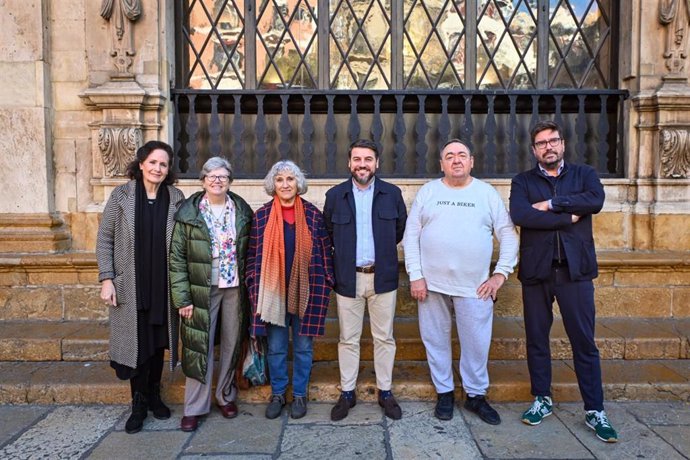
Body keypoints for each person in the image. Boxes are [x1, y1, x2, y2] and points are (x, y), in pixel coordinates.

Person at [509, 120, 618, 442]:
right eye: (541, 143)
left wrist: (553, 204)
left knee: (584, 342)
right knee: (537, 340)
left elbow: (594, 202)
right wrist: (568, 215)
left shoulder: (584, 175)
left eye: (553, 141)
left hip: (575, 272)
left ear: (562, 144)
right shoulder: (522, 181)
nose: (548, 147)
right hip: (537, 272)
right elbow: (522, 216)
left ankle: (595, 409)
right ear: (534, 150)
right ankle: (541, 398)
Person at [403, 139, 518, 424]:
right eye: (450, 156)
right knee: (435, 340)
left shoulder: (486, 193)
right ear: (441, 163)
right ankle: (444, 393)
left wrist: (500, 274)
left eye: (462, 155)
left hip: (475, 287)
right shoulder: (429, 192)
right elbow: (411, 236)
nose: (456, 160)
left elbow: (507, 234)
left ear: (472, 161)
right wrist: (416, 276)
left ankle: (475, 396)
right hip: (431, 286)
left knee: (477, 343)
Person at [96, 140, 185, 434]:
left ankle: (155, 397)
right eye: (153, 162)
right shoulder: (121, 195)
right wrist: (107, 278)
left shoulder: (175, 197)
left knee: (158, 343)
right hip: (130, 286)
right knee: (137, 347)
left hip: (163, 286)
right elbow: (104, 239)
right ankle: (138, 404)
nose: (158, 168)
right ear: (141, 163)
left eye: (164, 164)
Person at [323, 139, 407, 421]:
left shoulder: (392, 194)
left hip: (382, 278)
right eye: (357, 159)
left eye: (368, 159)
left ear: (377, 163)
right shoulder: (335, 196)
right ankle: (347, 392)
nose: (362, 164)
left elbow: (399, 230)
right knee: (348, 338)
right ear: (349, 163)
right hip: (348, 279)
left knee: (384, 337)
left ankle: (385, 391)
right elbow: (328, 234)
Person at [169, 157, 253, 432]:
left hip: (234, 287)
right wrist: (183, 299)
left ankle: (225, 395)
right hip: (200, 287)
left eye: (223, 177)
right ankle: (194, 407)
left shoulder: (241, 211)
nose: (217, 181)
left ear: (230, 181)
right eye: (211, 176)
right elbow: (177, 259)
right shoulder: (188, 213)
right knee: (198, 346)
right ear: (203, 180)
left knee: (232, 342)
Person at [247, 160, 334, 420]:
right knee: (276, 347)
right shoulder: (261, 216)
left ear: (298, 184)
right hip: (273, 293)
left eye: (290, 179)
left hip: (306, 290)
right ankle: (277, 393)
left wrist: (326, 280)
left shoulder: (312, 214)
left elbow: (325, 250)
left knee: (304, 347)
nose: (285, 184)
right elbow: (251, 255)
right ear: (273, 185)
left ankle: (299, 394)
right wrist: (254, 283)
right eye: (280, 179)